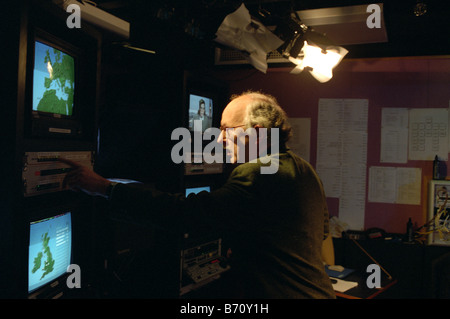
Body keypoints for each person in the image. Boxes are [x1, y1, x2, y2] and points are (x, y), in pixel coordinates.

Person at [61, 91, 336, 299]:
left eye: (227, 129)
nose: (219, 139)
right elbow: (318, 232)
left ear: (258, 133)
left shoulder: (257, 172)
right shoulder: (304, 169)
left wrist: (106, 188)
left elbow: (185, 214)